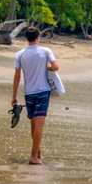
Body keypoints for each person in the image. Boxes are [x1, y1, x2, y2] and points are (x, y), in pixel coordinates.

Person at [12, 27, 59, 166]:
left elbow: (17, 76)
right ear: (38, 38)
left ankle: (37, 154)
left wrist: (14, 97)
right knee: (39, 124)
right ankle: (34, 157)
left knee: (34, 124)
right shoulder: (45, 51)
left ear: (27, 38)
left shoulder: (19, 54)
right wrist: (47, 68)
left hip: (29, 93)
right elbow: (56, 67)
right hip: (43, 91)